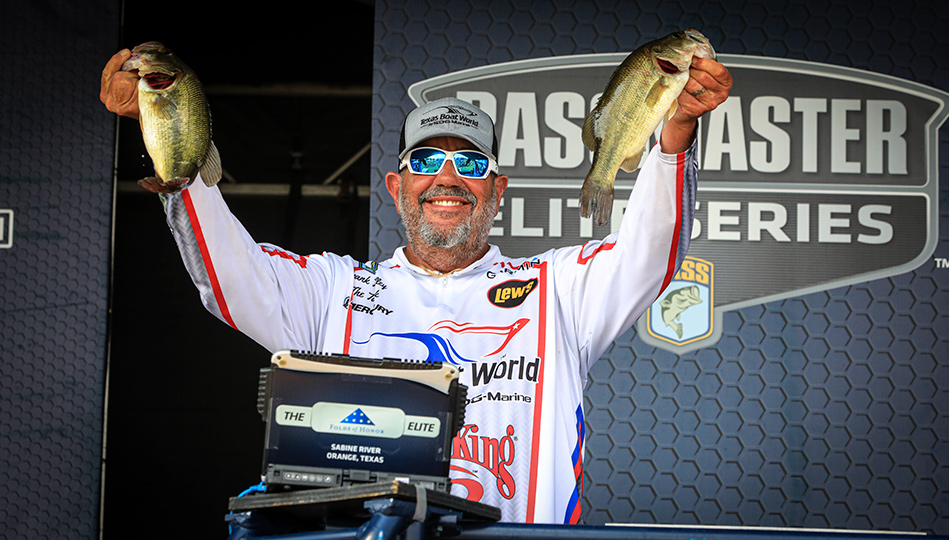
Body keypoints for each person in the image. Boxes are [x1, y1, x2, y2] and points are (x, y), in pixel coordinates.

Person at [101, 48, 731, 524]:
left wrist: (673, 138)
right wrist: (169, 142)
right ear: (397, 186)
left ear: (497, 189)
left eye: (471, 162)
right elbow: (228, 275)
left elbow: (650, 251)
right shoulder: (335, 290)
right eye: (426, 160)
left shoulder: (557, 290)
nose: (447, 178)